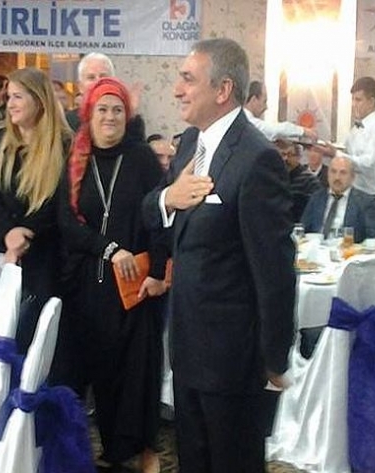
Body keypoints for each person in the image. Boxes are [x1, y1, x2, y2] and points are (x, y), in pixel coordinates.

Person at [142, 38, 295, 473]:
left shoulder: (257, 158)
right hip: (187, 347)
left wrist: (274, 357)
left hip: (233, 359)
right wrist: (169, 198)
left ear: (223, 89)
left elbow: (274, 270)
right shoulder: (191, 143)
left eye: (188, 79)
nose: (177, 89)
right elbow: (151, 212)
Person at [58, 77, 168, 473]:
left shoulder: (142, 159)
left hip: (136, 286)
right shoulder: (76, 158)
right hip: (88, 286)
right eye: (102, 109)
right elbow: (66, 220)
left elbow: (160, 219)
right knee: (101, 369)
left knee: (138, 371)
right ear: (89, 113)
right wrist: (107, 249)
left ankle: (144, 448)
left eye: (117, 110)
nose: (110, 117)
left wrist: (159, 272)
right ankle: (111, 451)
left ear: (128, 115)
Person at [0, 67, 72, 353]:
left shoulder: (65, 145)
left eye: (18, 97)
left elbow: (59, 200)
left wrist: (26, 231)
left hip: (43, 255)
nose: (10, 104)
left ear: (39, 101)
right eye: (9, 97)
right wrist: (8, 233)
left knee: (32, 341)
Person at [336, 77, 375, 230]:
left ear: (372, 101)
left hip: (373, 194)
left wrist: (337, 155)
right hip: (355, 192)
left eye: (358, 100)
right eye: (353, 99)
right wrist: (329, 151)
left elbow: (368, 163)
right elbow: (346, 153)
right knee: (351, 236)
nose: (354, 104)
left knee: (370, 239)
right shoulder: (355, 129)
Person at [301, 155, 375, 243]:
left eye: (343, 173)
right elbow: (303, 229)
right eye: (333, 172)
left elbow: (372, 238)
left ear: (352, 177)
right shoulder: (317, 197)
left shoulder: (366, 201)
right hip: (316, 247)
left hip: (348, 249)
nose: (337, 177)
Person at [244, 80, 317, 141]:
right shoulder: (247, 121)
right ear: (254, 100)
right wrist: (304, 131)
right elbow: (275, 130)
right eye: (264, 101)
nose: (266, 107)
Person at [275, 139, 322, 222]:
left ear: (298, 157)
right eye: (282, 155)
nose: (285, 159)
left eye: (290, 155)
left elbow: (316, 208)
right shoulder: (273, 178)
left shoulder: (309, 180)